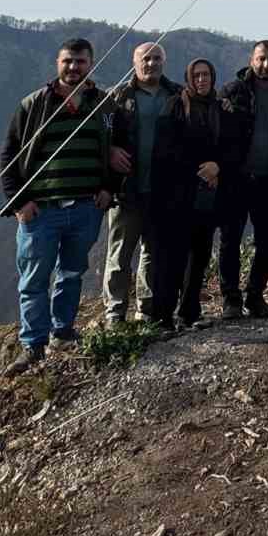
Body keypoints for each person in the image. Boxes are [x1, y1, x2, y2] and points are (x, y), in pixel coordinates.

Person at [0, 38, 121, 374]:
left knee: (72, 273)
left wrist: (110, 189)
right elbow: (9, 154)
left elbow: (121, 148)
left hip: (86, 208)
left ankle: (63, 331)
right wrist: (19, 202)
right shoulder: (35, 103)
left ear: (90, 64)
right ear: (57, 63)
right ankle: (32, 346)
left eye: (80, 61)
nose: (73, 67)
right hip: (42, 210)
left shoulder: (104, 105)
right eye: (68, 61)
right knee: (34, 279)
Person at [103, 42, 189, 329]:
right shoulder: (118, 96)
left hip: (163, 191)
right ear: (134, 62)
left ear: (164, 62)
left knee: (152, 253)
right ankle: (115, 313)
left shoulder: (177, 95)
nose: (150, 63)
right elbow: (100, 135)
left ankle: (146, 309)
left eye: (156, 58)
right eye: (145, 59)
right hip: (127, 190)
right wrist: (110, 151)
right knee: (120, 254)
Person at [220, 40, 268, 318]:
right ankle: (230, 300)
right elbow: (219, 135)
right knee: (231, 240)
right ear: (252, 59)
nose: (266, 64)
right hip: (237, 180)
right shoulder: (233, 91)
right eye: (261, 58)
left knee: (266, 242)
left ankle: (255, 296)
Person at [177, 58, 237, 327]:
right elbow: (170, 146)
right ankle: (171, 312)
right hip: (182, 190)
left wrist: (218, 167)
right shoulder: (177, 105)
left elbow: (232, 145)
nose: (202, 80)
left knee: (200, 253)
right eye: (197, 75)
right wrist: (200, 170)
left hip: (212, 192)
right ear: (189, 78)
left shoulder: (221, 107)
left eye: (206, 75)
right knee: (179, 253)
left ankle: (191, 311)